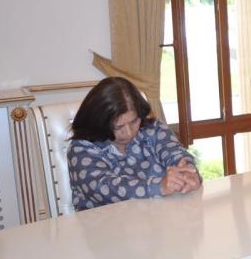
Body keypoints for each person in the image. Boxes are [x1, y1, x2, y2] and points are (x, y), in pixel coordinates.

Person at [68, 77, 201, 211]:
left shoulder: (153, 129)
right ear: (100, 122)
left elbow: (175, 153)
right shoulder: (80, 149)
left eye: (134, 121)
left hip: (157, 218)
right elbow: (105, 188)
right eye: (118, 127)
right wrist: (159, 186)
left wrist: (187, 172)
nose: (129, 132)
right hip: (105, 222)